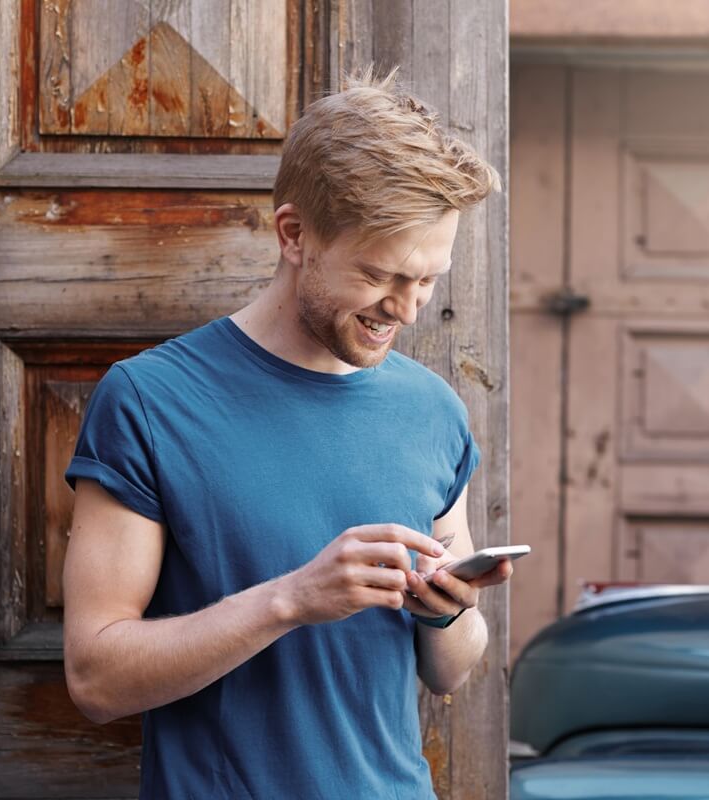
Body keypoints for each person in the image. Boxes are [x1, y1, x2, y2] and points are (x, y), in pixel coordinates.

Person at [61, 65, 508, 799]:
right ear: (294, 235)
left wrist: (449, 611)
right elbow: (95, 679)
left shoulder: (432, 409)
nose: (406, 309)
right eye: (381, 276)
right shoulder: (148, 400)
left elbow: (451, 671)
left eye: (427, 280)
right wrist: (293, 599)